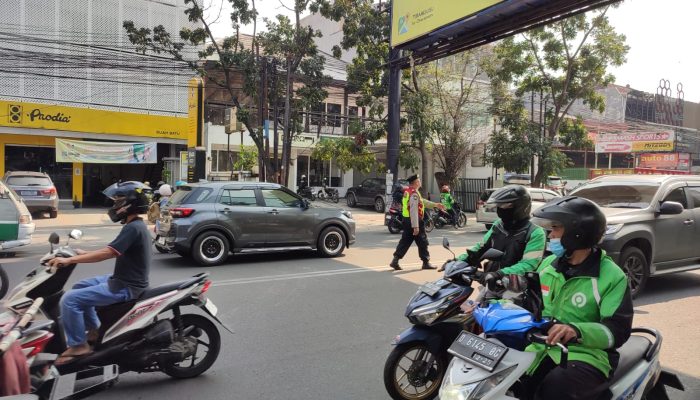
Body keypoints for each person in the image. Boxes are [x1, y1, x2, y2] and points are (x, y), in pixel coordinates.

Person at [462, 196, 633, 400]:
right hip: (540, 346)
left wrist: (576, 330)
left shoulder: (611, 276)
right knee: (502, 382)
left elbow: (617, 331)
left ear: (576, 233)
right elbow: (524, 298)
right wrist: (484, 306)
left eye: (556, 229)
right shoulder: (549, 264)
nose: (550, 234)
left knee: (556, 387)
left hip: (586, 355)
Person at [47, 182, 152, 365]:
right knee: (80, 286)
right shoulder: (135, 226)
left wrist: (70, 260)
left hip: (127, 286)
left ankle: (79, 345)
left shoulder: (133, 228)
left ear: (129, 204)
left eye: (118, 201)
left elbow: (108, 253)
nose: (114, 205)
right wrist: (84, 253)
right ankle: (94, 330)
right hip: (123, 280)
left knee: (70, 300)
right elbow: (112, 248)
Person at [448, 185, 546, 285]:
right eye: (499, 206)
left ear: (521, 207)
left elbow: (528, 264)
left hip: (517, 287)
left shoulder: (535, 232)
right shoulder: (498, 225)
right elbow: (481, 247)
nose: (500, 210)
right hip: (492, 281)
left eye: (505, 206)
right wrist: (458, 261)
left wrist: (499, 274)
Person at [390, 175, 446, 271]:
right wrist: (415, 226)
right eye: (419, 181)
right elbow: (414, 210)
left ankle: (395, 260)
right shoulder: (414, 194)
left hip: (407, 220)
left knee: (405, 241)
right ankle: (426, 262)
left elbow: (422, 202)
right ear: (416, 183)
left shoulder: (408, 192)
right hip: (414, 220)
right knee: (422, 241)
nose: (420, 182)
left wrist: (435, 204)